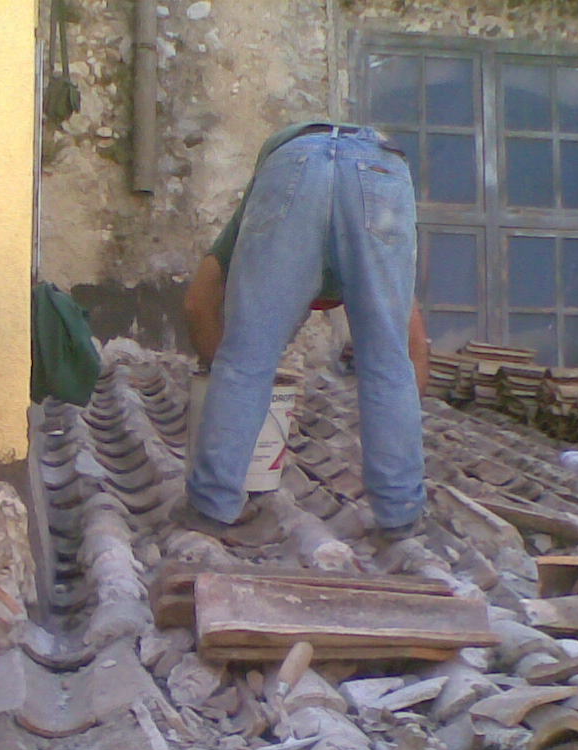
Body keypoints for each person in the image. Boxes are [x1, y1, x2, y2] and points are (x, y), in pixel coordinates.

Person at [179, 120, 430, 542]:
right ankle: (400, 514)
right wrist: (401, 425)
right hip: (380, 170)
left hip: (293, 162)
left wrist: (221, 374)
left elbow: (197, 303)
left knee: (245, 359)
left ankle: (210, 506)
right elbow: (409, 351)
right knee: (388, 364)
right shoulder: (375, 270)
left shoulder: (256, 226)